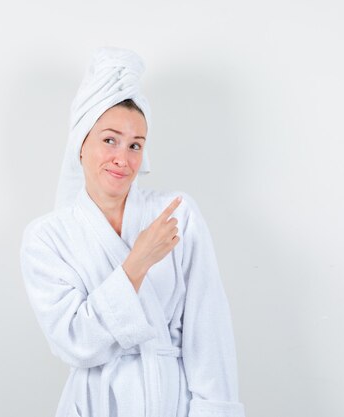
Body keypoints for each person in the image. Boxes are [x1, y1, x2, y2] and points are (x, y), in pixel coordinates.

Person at [19, 47, 245, 417]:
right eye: (109, 140)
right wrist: (137, 263)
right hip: (95, 404)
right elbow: (75, 342)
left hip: (174, 402)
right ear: (80, 144)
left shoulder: (176, 214)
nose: (123, 158)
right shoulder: (47, 237)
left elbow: (209, 330)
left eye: (135, 145)